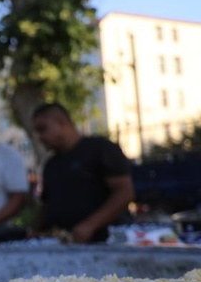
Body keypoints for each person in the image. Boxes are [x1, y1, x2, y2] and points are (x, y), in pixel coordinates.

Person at [32, 102, 135, 243]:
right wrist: (35, 231)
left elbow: (124, 192)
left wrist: (90, 225)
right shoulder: (51, 164)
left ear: (60, 122)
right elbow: (46, 204)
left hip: (107, 242)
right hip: (66, 244)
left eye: (42, 129)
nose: (40, 137)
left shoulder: (100, 149)